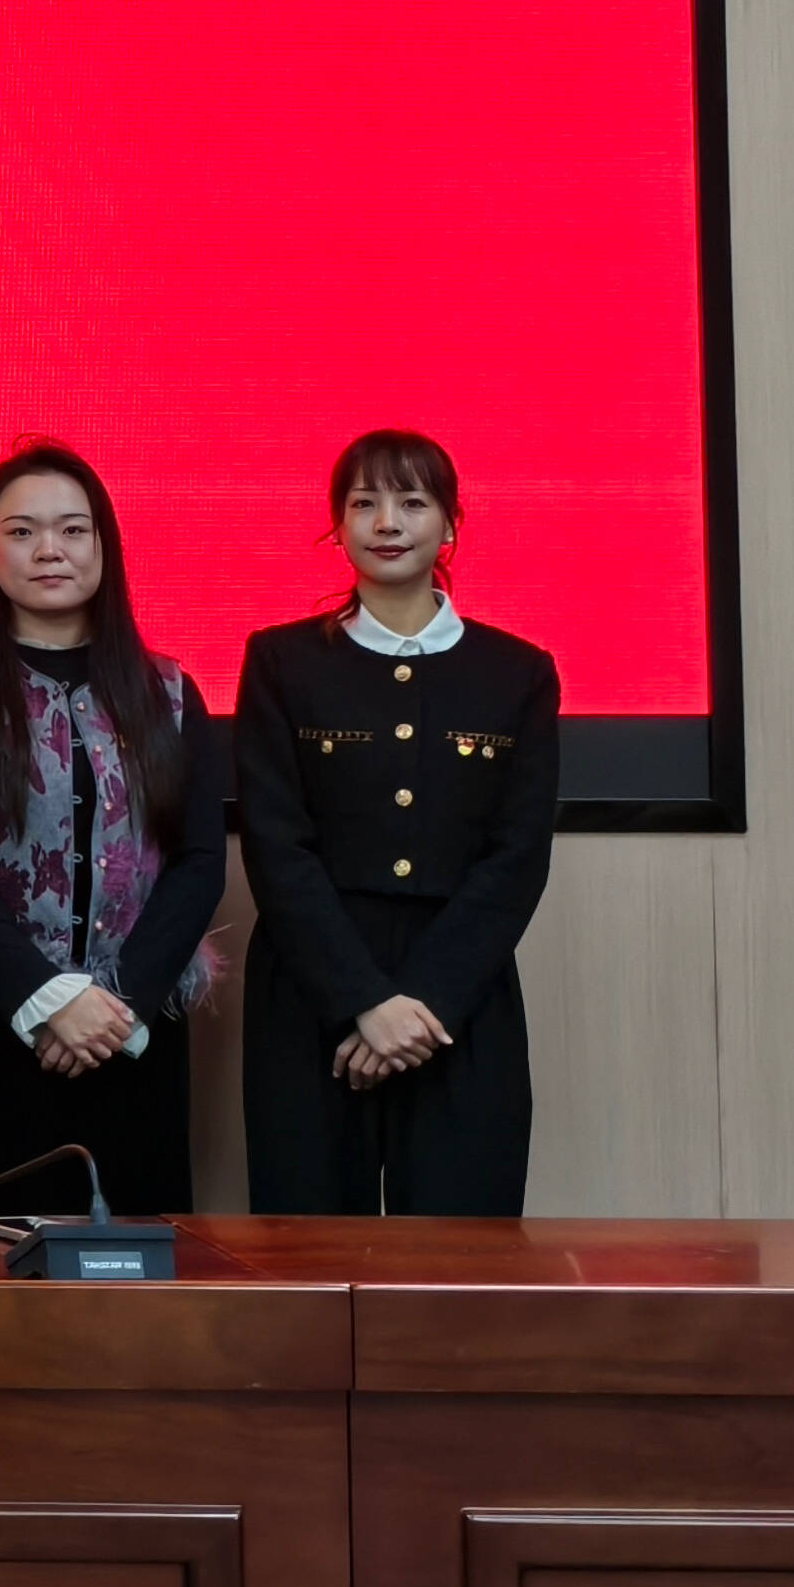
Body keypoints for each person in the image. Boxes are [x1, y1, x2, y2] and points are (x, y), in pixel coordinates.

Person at [0, 444, 227, 1216]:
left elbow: (200, 860)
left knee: (136, 1254)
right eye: (23, 531)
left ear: (104, 544)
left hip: (132, 1032)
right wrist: (45, 998)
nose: (50, 549)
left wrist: (114, 1007)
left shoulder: (168, 690)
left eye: (73, 529)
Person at [235, 429, 561, 1215]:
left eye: (412, 502)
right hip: (311, 992)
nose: (387, 522)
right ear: (337, 524)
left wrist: (421, 1004)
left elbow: (516, 856)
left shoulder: (518, 672)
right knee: (306, 1252)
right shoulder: (281, 662)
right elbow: (277, 845)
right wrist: (364, 1001)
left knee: (463, 1258)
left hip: (460, 996)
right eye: (364, 503)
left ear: (449, 523)